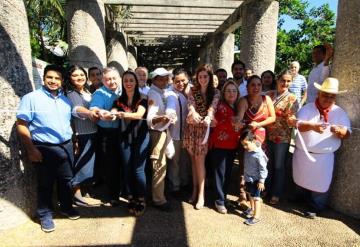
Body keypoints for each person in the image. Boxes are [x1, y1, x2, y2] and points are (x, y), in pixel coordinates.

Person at [16, 64, 95, 232]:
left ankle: (66, 207)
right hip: (44, 147)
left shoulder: (64, 99)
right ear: (44, 78)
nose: (53, 81)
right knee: (45, 183)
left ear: (62, 81)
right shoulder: (31, 98)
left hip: (66, 145)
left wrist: (73, 140)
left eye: (57, 78)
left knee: (67, 180)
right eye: (50, 77)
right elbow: (22, 124)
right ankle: (45, 215)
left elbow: (70, 119)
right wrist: (31, 149)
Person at [292, 77, 350, 218]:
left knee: (320, 184)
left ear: (335, 97)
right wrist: (312, 126)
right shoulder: (307, 108)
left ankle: (316, 206)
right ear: (319, 93)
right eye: (325, 95)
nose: (327, 99)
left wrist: (340, 132)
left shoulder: (339, 112)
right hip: (303, 153)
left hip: (324, 157)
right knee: (301, 178)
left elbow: (347, 133)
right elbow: (297, 125)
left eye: (331, 96)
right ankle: (300, 198)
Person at [111, 70, 149, 216]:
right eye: (125, 80)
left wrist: (124, 114)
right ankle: (131, 197)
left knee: (138, 169)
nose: (128, 83)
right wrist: (111, 114)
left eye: (131, 80)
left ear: (136, 82)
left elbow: (139, 114)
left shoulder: (143, 98)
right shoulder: (118, 100)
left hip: (141, 136)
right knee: (127, 168)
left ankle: (141, 198)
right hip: (124, 137)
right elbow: (114, 111)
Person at [183, 64, 220, 210]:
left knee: (200, 163)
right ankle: (194, 191)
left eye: (205, 76)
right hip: (191, 128)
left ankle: (201, 195)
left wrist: (208, 116)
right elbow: (190, 105)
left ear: (210, 77)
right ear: (197, 78)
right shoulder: (193, 91)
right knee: (193, 162)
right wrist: (194, 112)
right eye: (200, 77)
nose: (203, 79)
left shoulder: (215, 92)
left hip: (203, 131)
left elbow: (213, 107)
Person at [235, 75, 275, 208]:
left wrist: (258, 124)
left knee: (260, 164)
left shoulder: (266, 99)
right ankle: (242, 194)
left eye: (259, 85)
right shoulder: (243, 100)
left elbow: (272, 117)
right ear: (247, 87)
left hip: (262, 137)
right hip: (248, 137)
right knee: (245, 165)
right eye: (253, 85)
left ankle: (256, 193)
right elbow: (240, 117)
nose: (256, 87)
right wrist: (238, 122)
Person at [65, 65, 100, 207]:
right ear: (69, 78)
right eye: (75, 75)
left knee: (89, 164)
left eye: (81, 75)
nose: (79, 77)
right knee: (81, 165)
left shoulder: (87, 91)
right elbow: (76, 109)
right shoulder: (71, 93)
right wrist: (90, 113)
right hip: (81, 134)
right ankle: (76, 194)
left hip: (93, 132)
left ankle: (85, 190)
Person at [89, 67, 122, 206]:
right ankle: (113, 195)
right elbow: (94, 108)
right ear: (103, 80)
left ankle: (123, 190)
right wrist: (103, 113)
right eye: (108, 79)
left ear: (119, 78)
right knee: (110, 164)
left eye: (114, 78)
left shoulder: (123, 90)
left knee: (122, 161)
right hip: (107, 133)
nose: (111, 81)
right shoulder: (99, 93)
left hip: (123, 132)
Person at [266, 70, 299, 205]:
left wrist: (291, 119)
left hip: (282, 136)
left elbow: (293, 117)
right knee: (268, 164)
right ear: (277, 80)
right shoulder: (270, 94)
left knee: (279, 166)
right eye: (282, 80)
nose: (285, 83)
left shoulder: (292, 98)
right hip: (267, 134)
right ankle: (266, 189)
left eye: (288, 81)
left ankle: (276, 193)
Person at [210, 80, 240, 214]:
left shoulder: (237, 106)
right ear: (224, 93)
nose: (231, 93)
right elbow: (216, 122)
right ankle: (219, 200)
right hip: (220, 144)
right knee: (220, 173)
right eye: (228, 91)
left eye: (234, 91)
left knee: (227, 173)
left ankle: (223, 197)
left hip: (232, 144)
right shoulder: (220, 105)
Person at [146, 67, 173, 211]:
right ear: (154, 79)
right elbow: (150, 118)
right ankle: (158, 199)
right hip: (157, 133)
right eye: (160, 78)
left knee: (160, 164)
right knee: (158, 165)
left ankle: (159, 194)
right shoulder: (153, 94)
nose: (164, 81)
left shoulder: (159, 92)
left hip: (162, 131)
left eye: (165, 78)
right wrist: (163, 118)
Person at [166, 68, 191, 196]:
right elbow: (170, 107)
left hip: (187, 134)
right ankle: (175, 186)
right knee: (174, 162)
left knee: (185, 161)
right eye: (177, 81)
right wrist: (171, 115)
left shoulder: (190, 92)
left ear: (187, 80)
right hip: (174, 133)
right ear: (173, 81)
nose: (180, 84)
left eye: (183, 81)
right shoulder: (170, 94)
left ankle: (184, 182)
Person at [240, 128, 268, 225]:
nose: (244, 147)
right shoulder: (247, 151)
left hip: (257, 180)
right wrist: (244, 176)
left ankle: (256, 217)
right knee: (250, 194)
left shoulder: (259, 154)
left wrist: (262, 181)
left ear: (253, 141)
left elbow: (263, 169)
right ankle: (252, 210)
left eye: (246, 144)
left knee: (256, 198)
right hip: (248, 178)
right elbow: (246, 165)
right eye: (243, 145)